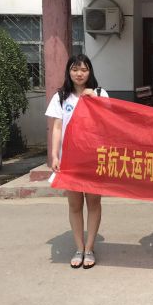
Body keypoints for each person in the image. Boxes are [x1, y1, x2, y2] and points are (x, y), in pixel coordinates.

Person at [45, 54, 109, 269]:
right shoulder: (61, 96)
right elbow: (56, 127)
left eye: (83, 69)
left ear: (90, 72)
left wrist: (95, 99)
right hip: (69, 160)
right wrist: (54, 155)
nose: (79, 73)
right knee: (74, 205)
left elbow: (110, 123)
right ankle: (78, 248)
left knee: (93, 203)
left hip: (93, 159)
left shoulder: (100, 93)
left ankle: (89, 248)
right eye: (75, 69)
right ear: (69, 72)